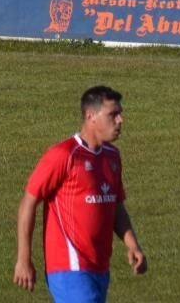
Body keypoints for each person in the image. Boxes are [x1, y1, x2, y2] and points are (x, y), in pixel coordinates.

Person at [14, 86, 147, 303]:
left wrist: (133, 245)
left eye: (120, 113)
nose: (121, 120)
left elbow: (115, 207)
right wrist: (23, 259)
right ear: (90, 116)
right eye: (113, 114)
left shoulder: (112, 157)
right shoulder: (64, 155)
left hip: (100, 268)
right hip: (69, 268)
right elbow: (28, 203)